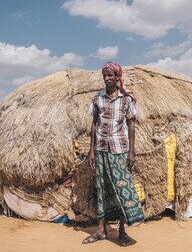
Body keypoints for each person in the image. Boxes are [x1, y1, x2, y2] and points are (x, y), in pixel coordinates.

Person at [82, 62, 144, 246]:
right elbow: (93, 124)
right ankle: (101, 230)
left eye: (110, 75)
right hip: (101, 148)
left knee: (122, 190)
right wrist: (91, 150)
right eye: (104, 76)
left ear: (118, 77)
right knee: (102, 189)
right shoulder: (97, 98)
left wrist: (132, 152)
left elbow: (131, 125)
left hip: (120, 149)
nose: (107, 79)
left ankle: (122, 231)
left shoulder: (127, 99)